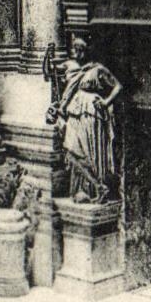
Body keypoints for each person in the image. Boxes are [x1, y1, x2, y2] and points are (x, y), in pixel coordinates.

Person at [46, 36, 122, 203]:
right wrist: (48, 56)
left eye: (82, 50)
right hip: (75, 110)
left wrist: (106, 102)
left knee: (89, 151)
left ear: (88, 51)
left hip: (91, 112)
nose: (78, 53)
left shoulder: (98, 69)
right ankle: (98, 186)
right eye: (76, 50)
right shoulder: (71, 66)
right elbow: (50, 71)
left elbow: (118, 86)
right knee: (70, 148)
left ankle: (94, 189)